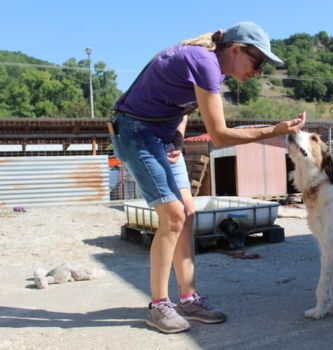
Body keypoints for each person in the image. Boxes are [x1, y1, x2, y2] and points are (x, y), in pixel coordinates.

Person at [110, 21, 306, 334]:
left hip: (161, 134)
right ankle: (158, 305)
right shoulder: (205, 62)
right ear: (236, 49)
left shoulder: (212, 67)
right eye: (257, 62)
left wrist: (176, 136)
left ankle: (188, 298)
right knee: (173, 216)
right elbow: (220, 134)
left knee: (187, 213)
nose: (258, 72)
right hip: (136, 131)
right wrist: (276, 130)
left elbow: (183, 105)